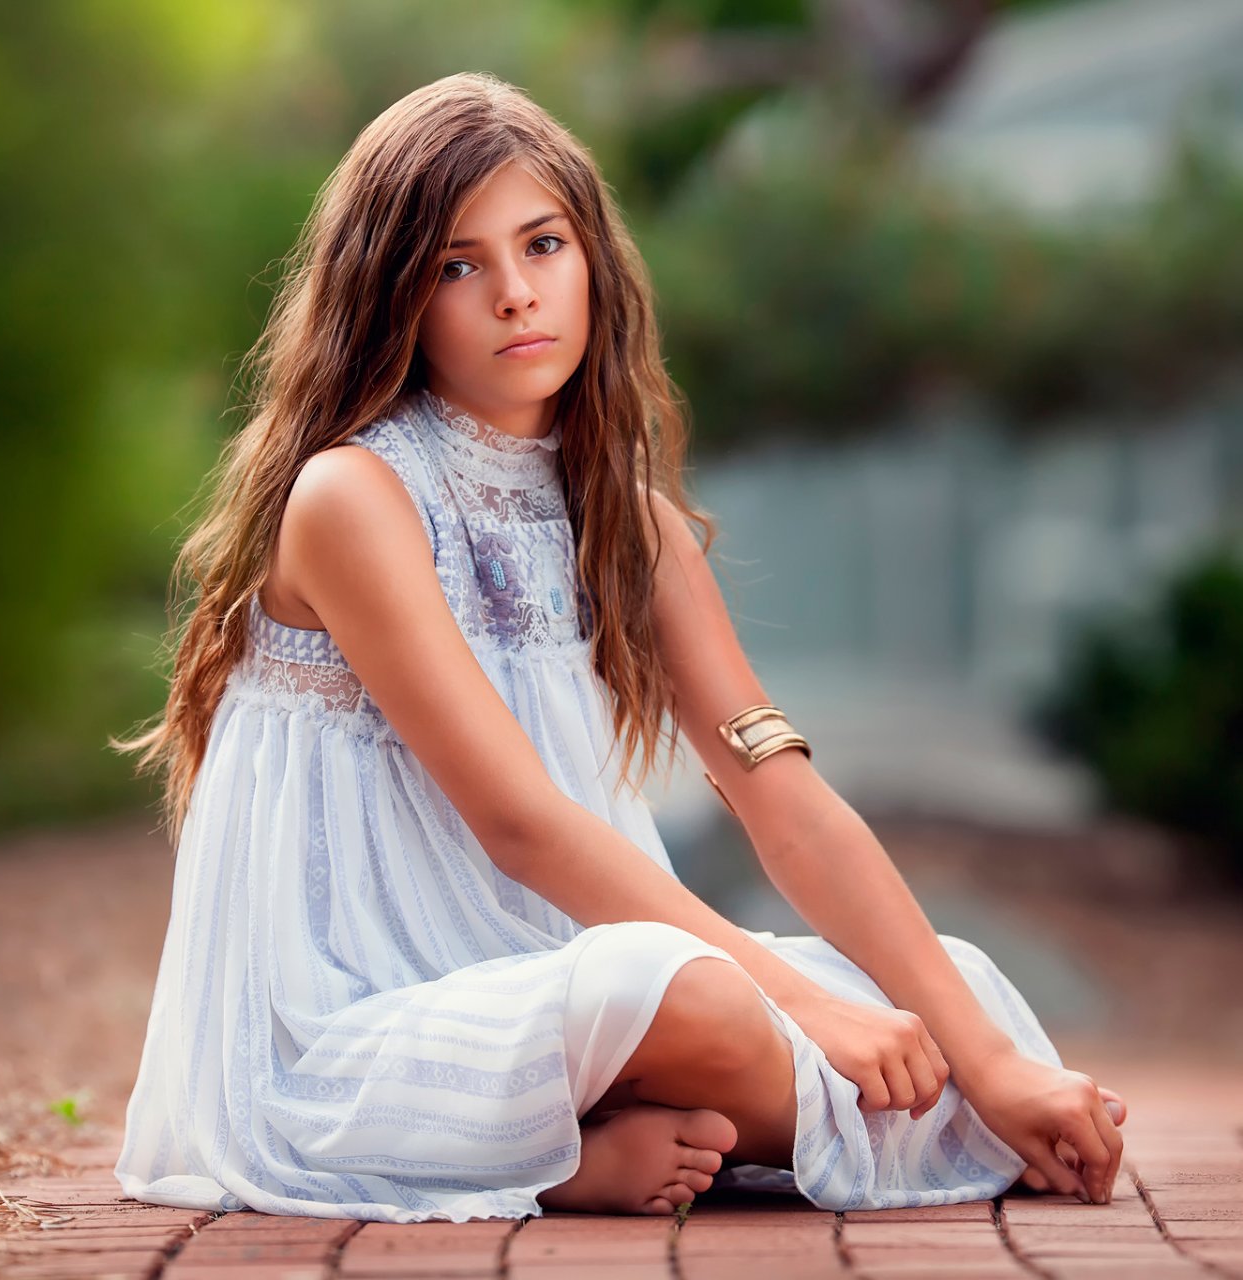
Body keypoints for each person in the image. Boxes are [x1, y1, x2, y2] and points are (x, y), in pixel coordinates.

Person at [111, 70, 1126, 1225]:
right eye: (457, 265)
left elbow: (781, 797)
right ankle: (559, 1154)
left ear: (592, 258)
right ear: (391, 296)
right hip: (356, 1012)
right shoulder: (355, 497)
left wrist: (986, 1060)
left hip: (573, 974)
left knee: (954, 991)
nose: (512, 294)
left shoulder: (629, 525)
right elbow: (520, 821)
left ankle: (601, 1123)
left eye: (542, 245)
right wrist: (808, 1008)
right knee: (724, 1006)